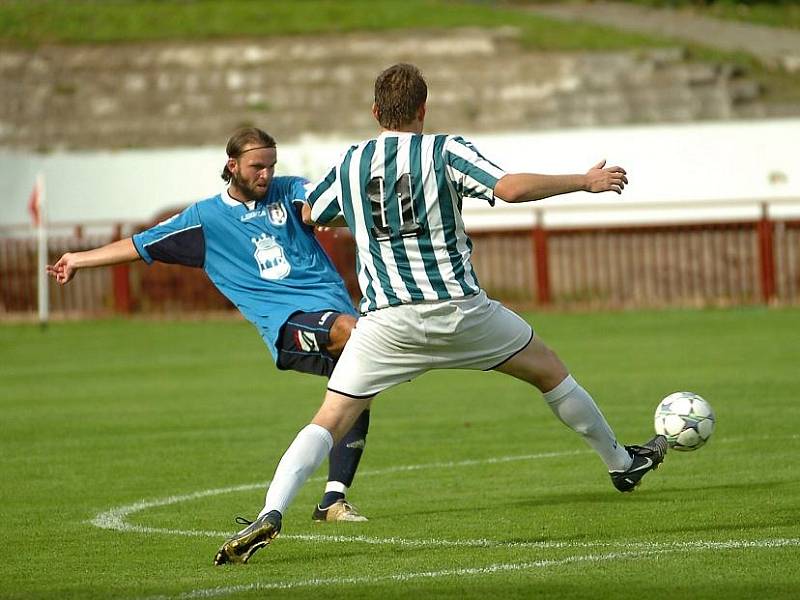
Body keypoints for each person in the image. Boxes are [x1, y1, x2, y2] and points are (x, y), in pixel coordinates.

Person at [212, 64, 667, 566]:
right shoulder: (444, 150)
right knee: (550, 372)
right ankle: (621, 463)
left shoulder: (353, 161)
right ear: (424, 110)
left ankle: (271, 511)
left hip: (385, 322)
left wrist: (362, 210)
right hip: (460, 312)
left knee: (330, 418)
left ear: (375, 112)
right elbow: (509, 188)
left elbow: (314, 213)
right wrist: (584, 180)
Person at [47, 127, 373, 526]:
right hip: (289, 325)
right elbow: (139, 244)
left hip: (338, 313)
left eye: (271, 166)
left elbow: (315, 207)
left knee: (357, 382)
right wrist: (78, 258)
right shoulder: (206, 220)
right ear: (232, 165)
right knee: (357, 340)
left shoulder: (290, 190)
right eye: (257, 167)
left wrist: (333, 209)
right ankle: (285, 507)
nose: (266, 175)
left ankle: (332, 501)